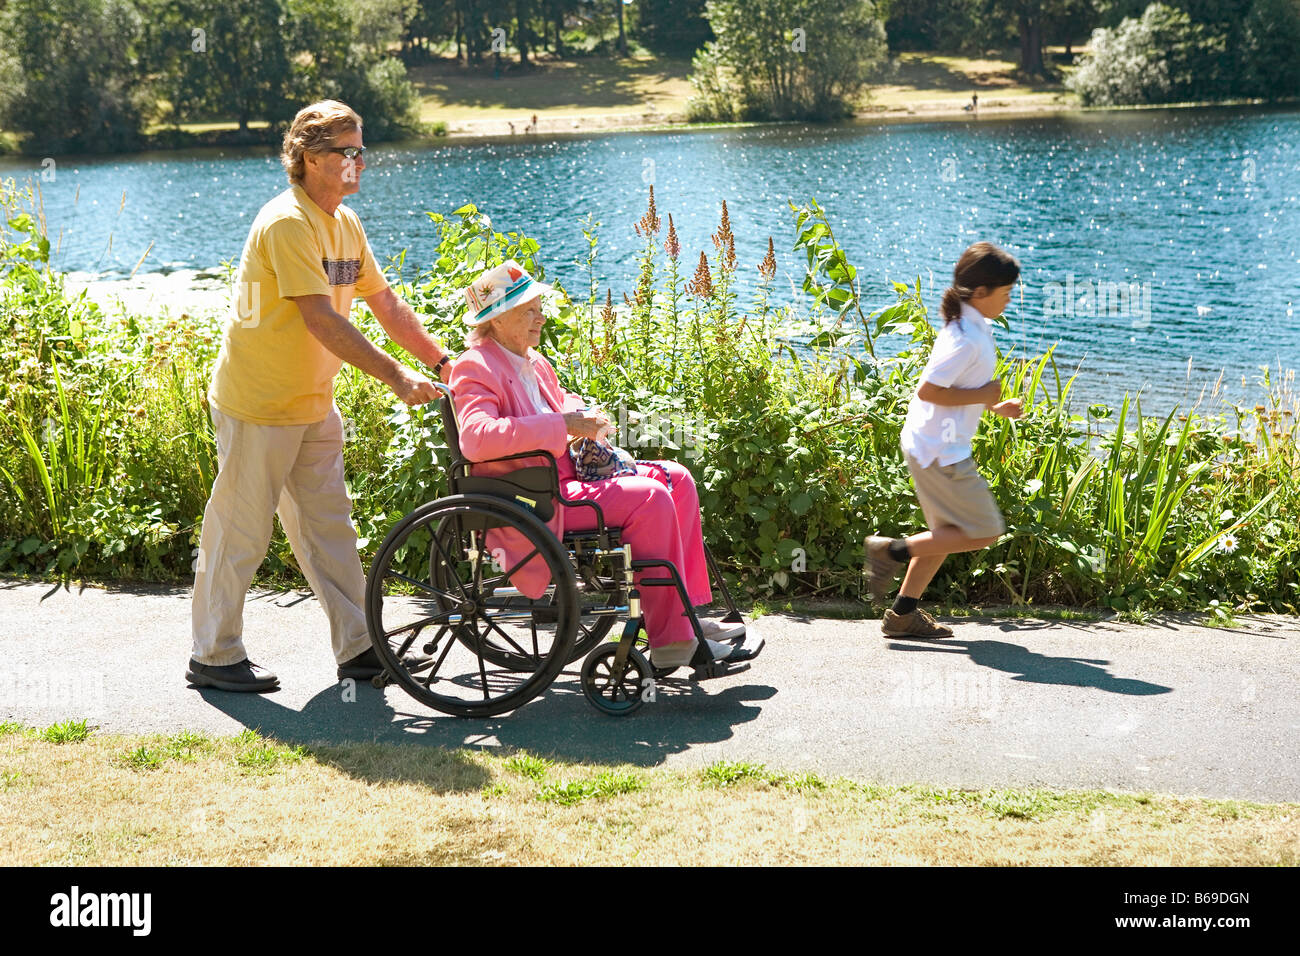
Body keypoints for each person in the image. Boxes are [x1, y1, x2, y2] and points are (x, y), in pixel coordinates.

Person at [187, 100, 454, 693]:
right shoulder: (288, 222)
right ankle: (213, 654)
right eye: (345, 152)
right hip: (257, 404)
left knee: (329, 526)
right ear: (309, 158)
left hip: (311, 403)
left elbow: (386, 306)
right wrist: (396, 378)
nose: (358, 162)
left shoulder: (345, 223)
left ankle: (360, 648)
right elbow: (321, 321)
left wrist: (441, 362)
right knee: (241, 532)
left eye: (361, 150)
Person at [450, 260, 745, 668]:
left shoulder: (532, 361)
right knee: (651, 498)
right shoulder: (475, 366)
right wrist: (565, 424)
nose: (540, 318)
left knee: (677, 479)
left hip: (566, 479)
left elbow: (558, 404)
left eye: (539, 308)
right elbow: (476, 439)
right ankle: (672, 641)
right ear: (497, 320)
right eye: (529, 311)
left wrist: (586, 415)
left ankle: (686, 615)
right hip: (535, 497)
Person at [865, 241, 1024, 638]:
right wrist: (984, 396)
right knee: (984, 531)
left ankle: (901, 616)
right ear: (982, 292)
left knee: (943, 536)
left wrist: (993, 406)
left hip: (933, 444)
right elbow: (929, 391)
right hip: (939, 451)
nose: (1009, 300)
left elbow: (957, 389)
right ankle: (892, 551)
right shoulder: (964, 338)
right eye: (1005, 293)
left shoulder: (974, 327)